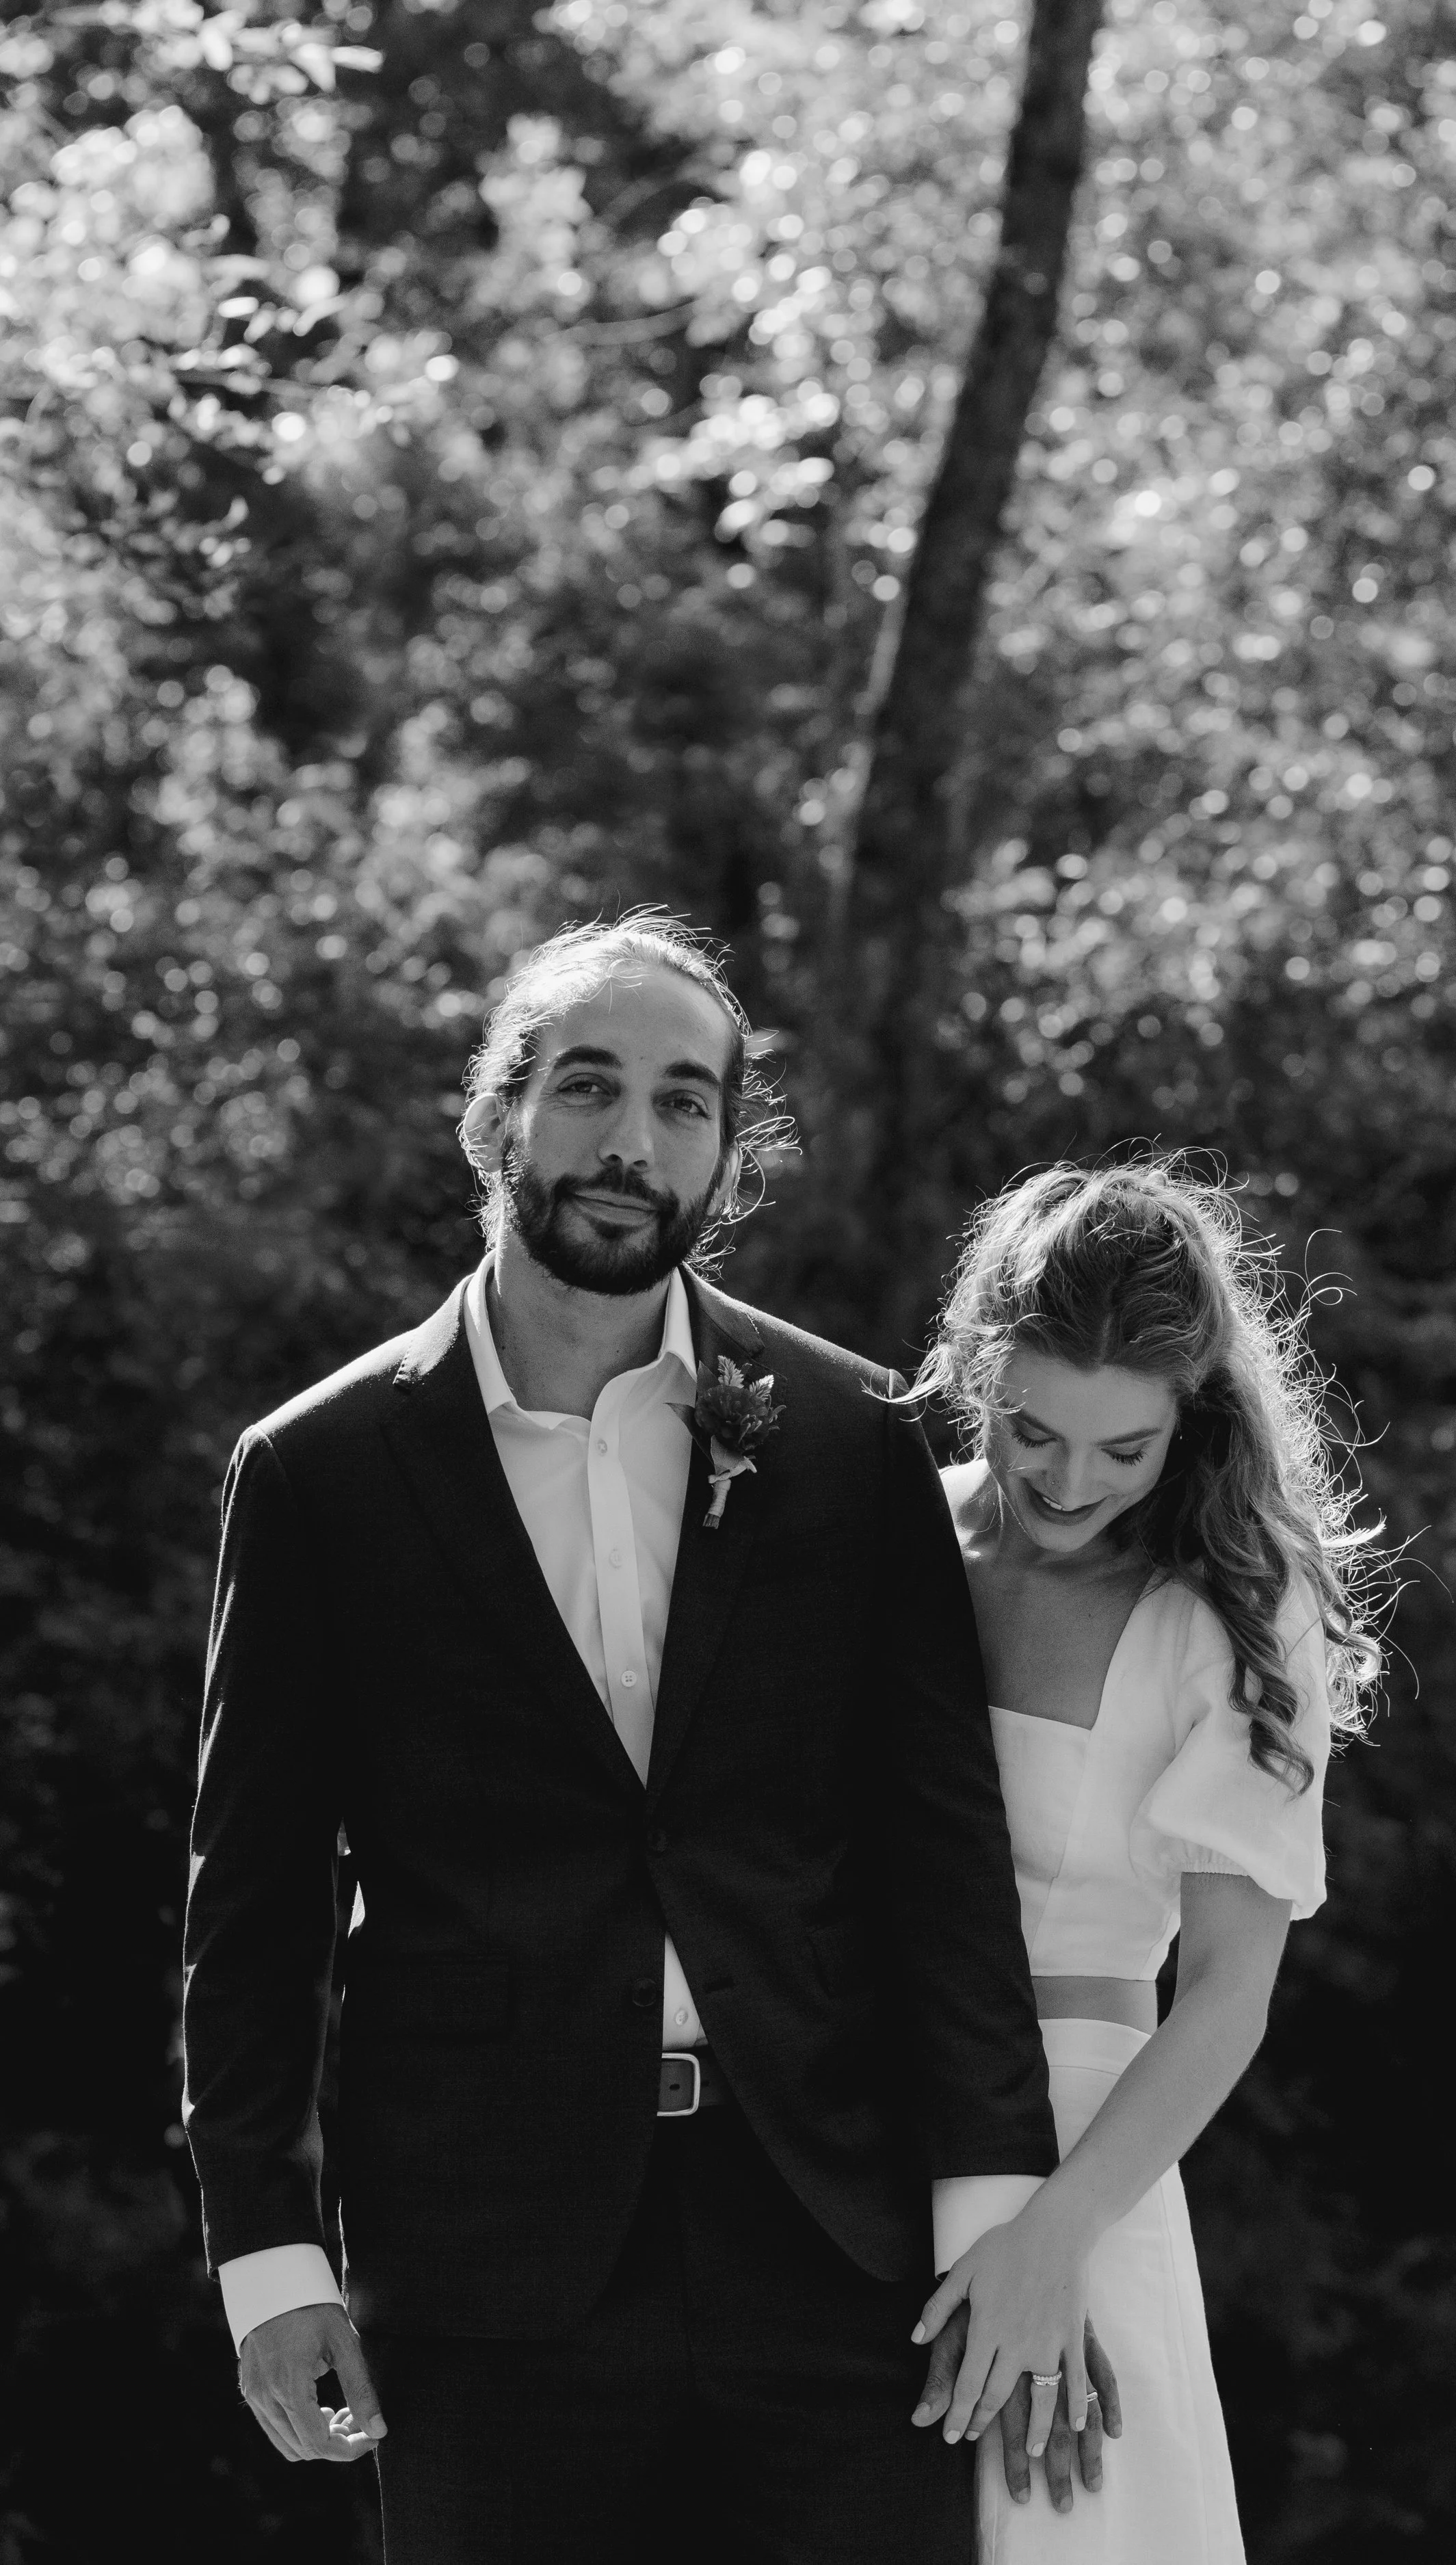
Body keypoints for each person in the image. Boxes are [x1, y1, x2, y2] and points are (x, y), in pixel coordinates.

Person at [181, 914, 1088, 2565]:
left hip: (837, 2245)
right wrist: (267, 2254)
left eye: (684, 1103)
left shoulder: (849, 1440)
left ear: (727, 1152)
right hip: (485, 2271)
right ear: (497, 1117)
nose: (631, 1141)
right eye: (588, 1087)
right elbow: (248, 1910)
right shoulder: (316, 1474)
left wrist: (991, 2212)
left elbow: (938, 1850)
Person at [908, 1160, 1384, 2562]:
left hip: (1077, 2159)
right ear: (975, 1367)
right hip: (839, 2136)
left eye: (1123, 1451)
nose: (1065, 1483)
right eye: (1030, 1431)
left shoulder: (1232, 1611)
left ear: (1192, 1418)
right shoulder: (894, 1534)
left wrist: (1055, 2243)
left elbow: (1227, 1994)